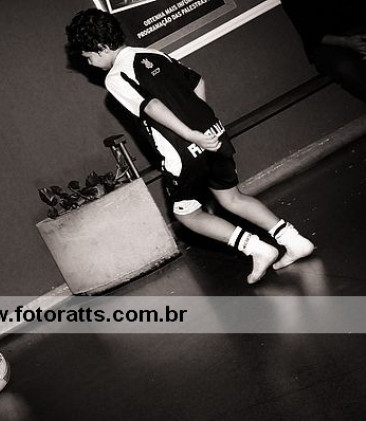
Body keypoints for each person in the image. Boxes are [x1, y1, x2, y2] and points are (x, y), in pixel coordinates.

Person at [65, 8, 315, 284]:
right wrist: (201, 126)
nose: (89, 63)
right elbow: (197, 82)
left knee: (187, 215)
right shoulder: (153, 54)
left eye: (87, 56)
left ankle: (257, 249)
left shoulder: (115, 77)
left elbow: (152, 106)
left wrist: (191, 135)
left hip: (183, 152)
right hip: (214, 135)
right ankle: (294, 240)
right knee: (232, 198)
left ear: (101, 47)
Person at [281, 0, 366, 103]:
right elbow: (311, 35)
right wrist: (346, 42)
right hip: (327, 43)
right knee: (345, 67)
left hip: (356, 27)